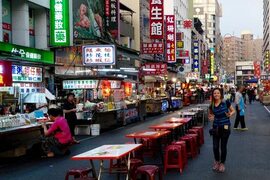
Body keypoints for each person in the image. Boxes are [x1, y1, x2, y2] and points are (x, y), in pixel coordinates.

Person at [208, 88, 235, 173]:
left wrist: (230, 114)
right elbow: (210, 115)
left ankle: (222, 163)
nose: (216, 94)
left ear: (221, 94)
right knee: (215, 147)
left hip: (225, 127)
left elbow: (233, 110)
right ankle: (216, 161)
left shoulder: (225, 102)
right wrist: (210, 118)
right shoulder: (211, 105)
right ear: (213, 95)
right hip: (216, 128)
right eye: (214, 93)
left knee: (223, 147)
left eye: (218, 93)